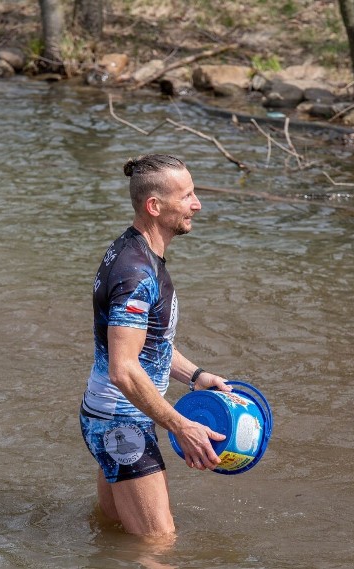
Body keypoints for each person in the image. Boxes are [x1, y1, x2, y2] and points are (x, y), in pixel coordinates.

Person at [79, 153, 232, 537]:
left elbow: (152, 345)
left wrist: (195, 376)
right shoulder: (137, 274)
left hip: (111, 415)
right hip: (121, 422)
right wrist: (182, 426)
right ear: (154, 206)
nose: (196, 204)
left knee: (114, 535)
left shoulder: (136, 253)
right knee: (158, 546)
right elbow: (124, 368)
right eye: (187, 196)